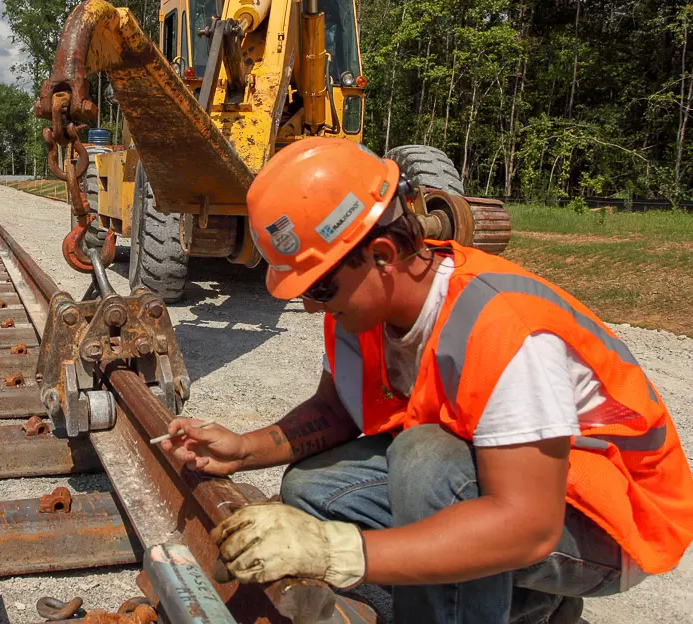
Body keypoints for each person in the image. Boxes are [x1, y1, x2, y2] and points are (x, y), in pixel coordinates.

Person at [160, 137, 693, 623]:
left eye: (319, 287)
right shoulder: (360, 316)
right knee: (314, 488)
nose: (307, 302)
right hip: (507, 478)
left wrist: (338, 553)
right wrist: (242, 449)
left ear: (384, 255)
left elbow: (530, 525)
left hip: (602, 524)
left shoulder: (504, 327)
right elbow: (336, 411)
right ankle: (531, 606)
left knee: (425, 459)